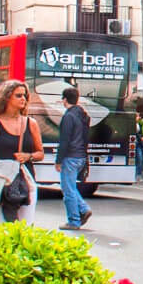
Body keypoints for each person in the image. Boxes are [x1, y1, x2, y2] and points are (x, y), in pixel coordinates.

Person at [0, 80, 44, 223]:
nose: (23, 99)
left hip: (26, 181)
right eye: (18, 96)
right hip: (1, 181)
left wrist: (28, 156)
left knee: (25, 226)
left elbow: (40, 153)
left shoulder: (31, 123)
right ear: (6, 98)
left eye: (25, 96)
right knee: (1, 226)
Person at [57, 87, 92, 231]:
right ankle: (83, 209)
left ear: (64, 99)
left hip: (70, 156)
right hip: (81, 156)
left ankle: (74, 220)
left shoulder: (68, 117)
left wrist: (58, 160)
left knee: (68, 189)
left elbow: (64, 140)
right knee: (71, 187)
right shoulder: (83, 115)